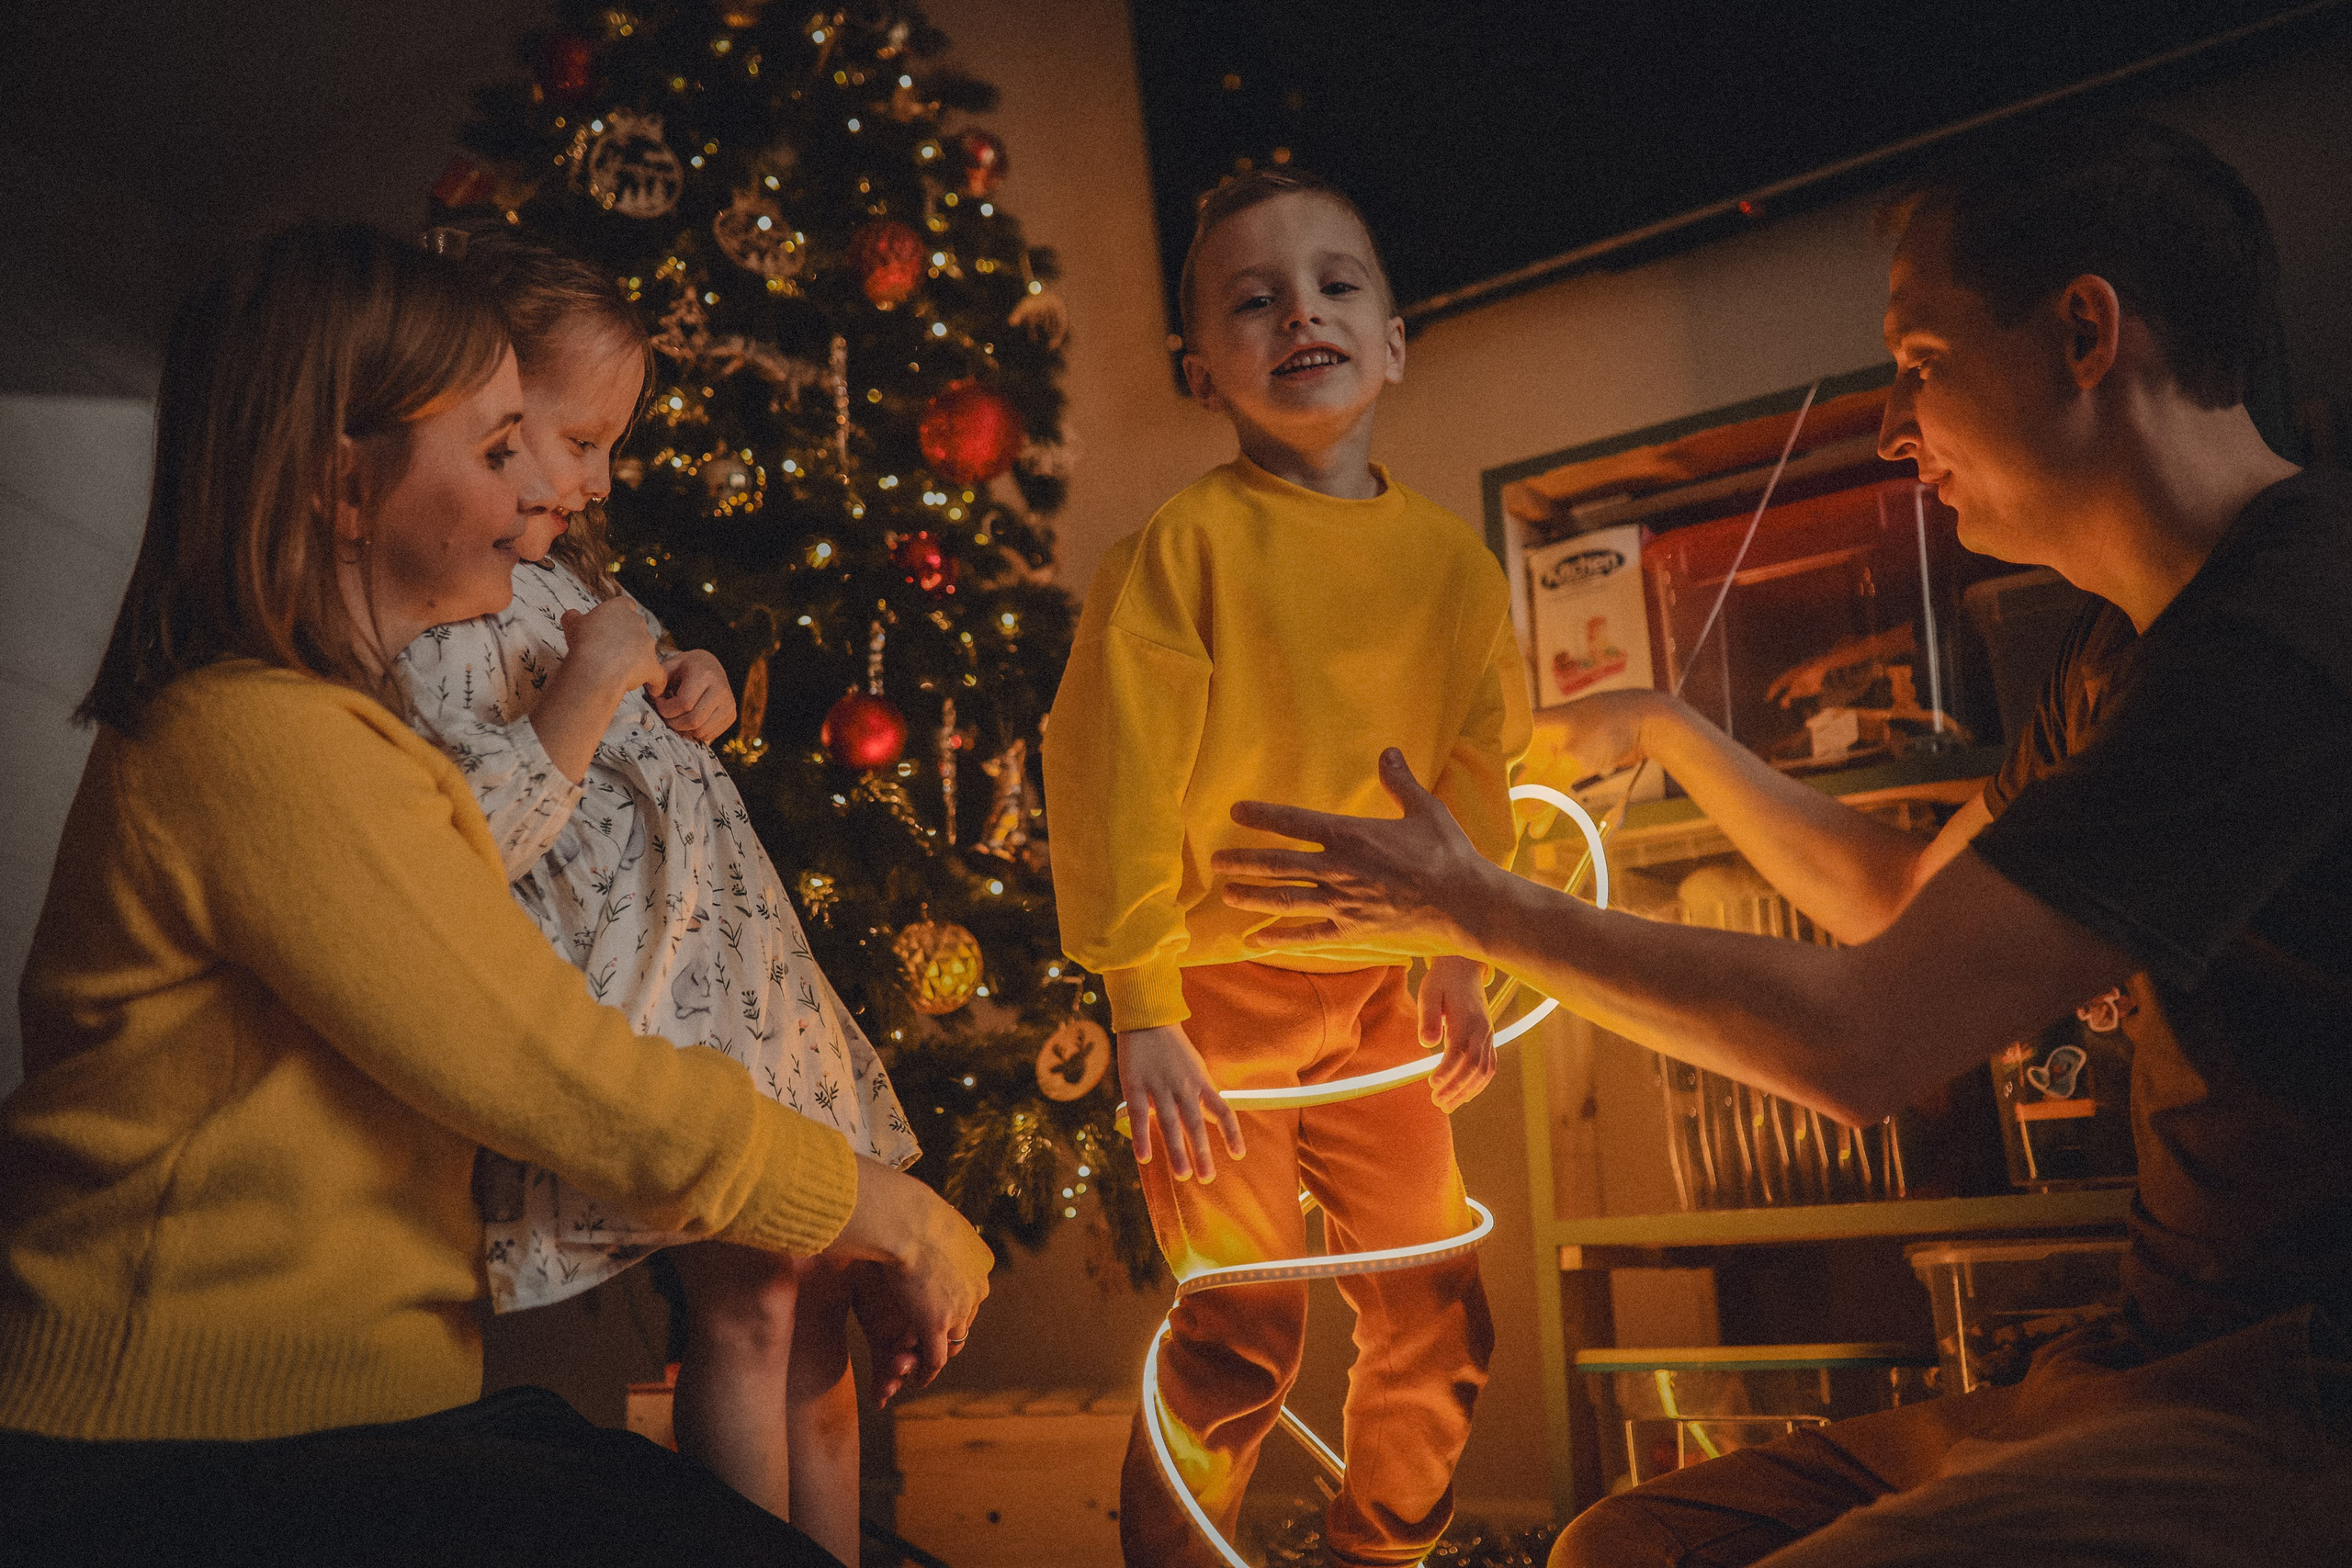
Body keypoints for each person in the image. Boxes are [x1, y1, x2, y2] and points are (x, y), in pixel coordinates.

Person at [1209, 118, 2350, 1566]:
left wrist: (1474, 910)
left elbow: (1864, 1044)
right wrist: (1676, 732)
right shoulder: (2129, 649)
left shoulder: (2284, 640)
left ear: (2083, 335)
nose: (1894, 424)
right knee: (1618, 1546)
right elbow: (1897, 905)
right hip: (2149, 1361)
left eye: (1921, 364)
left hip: (2297, 1396)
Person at [0, 222, 991, 1568]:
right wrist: (893, 1210)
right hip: (182, 1455)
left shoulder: (338, 731)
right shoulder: (256, 743)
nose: (543, 494)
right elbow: (559, 1071)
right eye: (496, 449)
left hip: (356, 1423)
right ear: (346, 494)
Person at [390, 228, 923, 1562]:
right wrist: (586, 690)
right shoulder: (438, 619)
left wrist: (691, 681)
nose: (598, 475)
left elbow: (649, 742)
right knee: (748, 1309)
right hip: (663, 1026)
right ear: (488, 417)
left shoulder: (568, 581)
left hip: (754, 990)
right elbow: (471, 844)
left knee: (818, 1318)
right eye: (578, 437)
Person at [1043, 169, 1532, 1568]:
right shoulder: (1183, 554)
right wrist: (1144, 1007)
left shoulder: (1453, 571)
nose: (1298, 313)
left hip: (1384, 993)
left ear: (1392, 340)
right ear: (1206, 371)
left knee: (1439, 1315)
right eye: (1253, 301)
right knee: (1243, 1326)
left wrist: (1454, 958)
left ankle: (1379, 1555)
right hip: (1217, 1004)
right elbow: (1112, 774)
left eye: (1336, 285)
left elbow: (1480, 770)